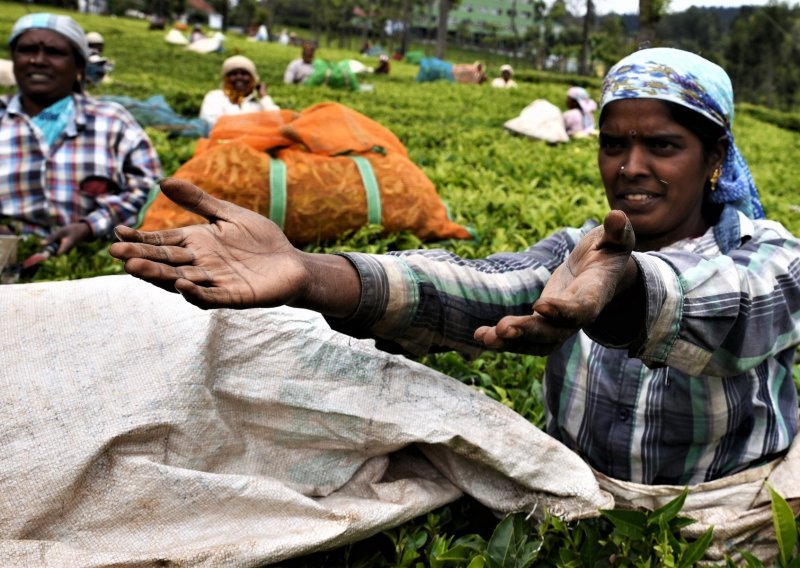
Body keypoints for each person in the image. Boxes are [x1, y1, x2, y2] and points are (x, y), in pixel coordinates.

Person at [110, 47, 800, 486]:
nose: (630, 168)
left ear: (714, 160)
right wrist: (310, 273)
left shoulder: (769, 254)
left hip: (724, 508)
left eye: (663, 145)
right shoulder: (578, 249)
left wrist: (624, 290)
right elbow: (476, 286)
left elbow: (738, 310)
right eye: (614, 144)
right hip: (583, 493)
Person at [0, 13, 162, 255]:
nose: (38, 60)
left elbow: (149, 187)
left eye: (54, 52)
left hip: (95, 256)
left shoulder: (112, 121)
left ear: (78, 66)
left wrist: (90, 226)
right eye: (27, 50)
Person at [199, 55, 279, 127]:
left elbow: (279, 123)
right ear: (225, 79)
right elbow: (210, 124)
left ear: (253, 79)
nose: (239, 77)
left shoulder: (259, 103)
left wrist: (264, 97)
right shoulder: (214, 97)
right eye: (233, 74)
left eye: (244, 74)